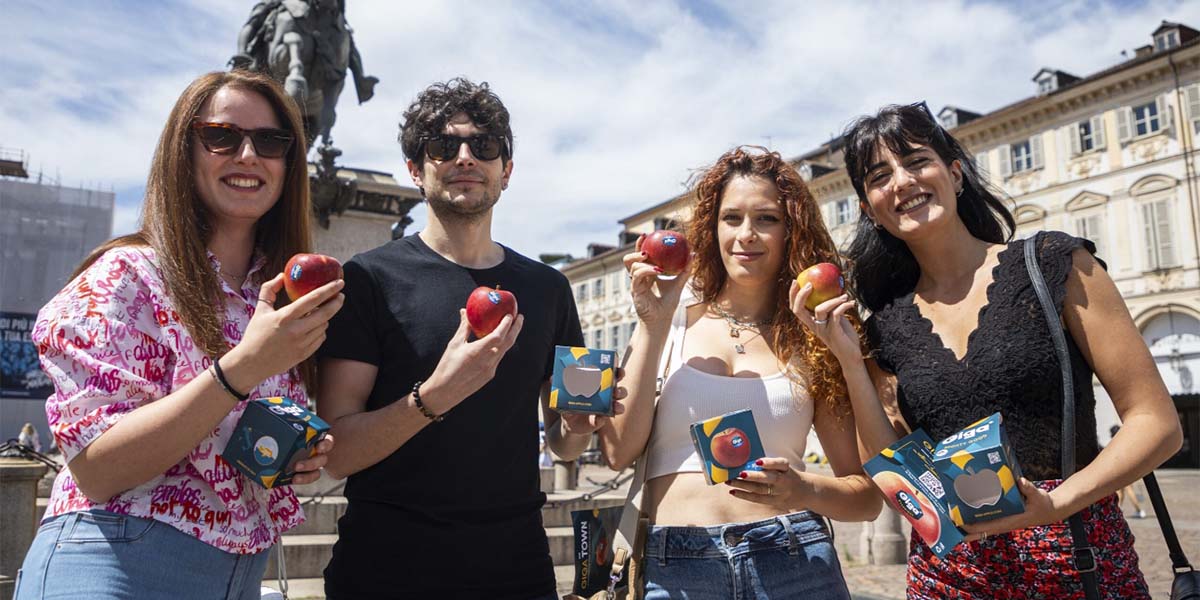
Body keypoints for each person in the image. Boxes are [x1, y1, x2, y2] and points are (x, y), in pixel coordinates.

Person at [805, 101, 1183, 599]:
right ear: (869, 209)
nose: (901, 181)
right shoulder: (886, 326)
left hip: (1075, 560)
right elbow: (895, 474)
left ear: (955, 174)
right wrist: (850, 360)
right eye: (879, 176)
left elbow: (1158, 424)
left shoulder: (1054, 265)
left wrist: (1058, 504)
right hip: (951, 578)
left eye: (917, 161)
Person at [15, 69, 342, 599]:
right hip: (116, 562)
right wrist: (243, 368)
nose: (247, 155)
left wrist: (293, 456)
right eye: (222, 136)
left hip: (238, 576)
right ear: (184, 152)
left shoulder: (279, 298)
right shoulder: (125, 275)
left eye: (270, 140)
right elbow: (98, 469)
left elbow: (231, 443)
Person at [316, 77, 613, 600]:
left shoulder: (550, 289)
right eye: (442, 146)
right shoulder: (365, 279)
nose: (465, 157)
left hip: (516, 569)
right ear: (415, 169)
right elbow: (336, 451)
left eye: (485, 145)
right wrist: (437, 395)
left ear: (507, 170)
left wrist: (580, 424)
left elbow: (567, 444)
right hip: (384, 570)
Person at [600, 147, 882, 600]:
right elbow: (615, 452)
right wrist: (652, 323)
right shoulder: (668, 320)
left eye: (766, 219)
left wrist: (803, 488)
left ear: (790, 231)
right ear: (712, 230)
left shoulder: (814, 339)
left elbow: (866, 497)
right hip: (677, 568)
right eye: (732, 218)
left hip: (795, 559)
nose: (746, 235)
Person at [1108, 425, 1147, 519]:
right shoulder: (1124, 443)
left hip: (1119, 471)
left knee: (1125, 491)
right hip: (1126, 470)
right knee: (1122, 492)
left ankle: (1138, 510)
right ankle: (1119, 509)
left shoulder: (1114, 445)